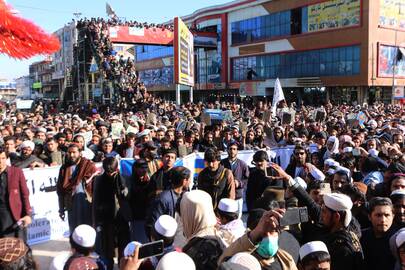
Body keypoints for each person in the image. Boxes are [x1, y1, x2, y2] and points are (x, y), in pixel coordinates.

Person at [93, 157, 130, 270]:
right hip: (106, 220)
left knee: (123, 248)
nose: (109, 174)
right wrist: (97, 222)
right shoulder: (99, 180)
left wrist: (122, 187)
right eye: (107, 172)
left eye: (112, 172)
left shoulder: (124, 179)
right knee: (107, 250)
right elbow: (96, 202)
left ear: (117, 169)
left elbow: (127, 196)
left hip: (122, 219)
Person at [57, 144, 99, 232]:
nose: (71, 155)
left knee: (88, 230)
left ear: (80, 153)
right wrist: (61, 209)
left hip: (87, 203)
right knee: (74, 231)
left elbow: (96, 186)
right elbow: (60, 190)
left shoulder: (89, 165)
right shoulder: (64, 168)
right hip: (71, 203)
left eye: (74, 152)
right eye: (69, 152)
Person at [145, 166, 191, 238]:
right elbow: (151, 225)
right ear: (184, 181)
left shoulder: (186, 196)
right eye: (189, 179)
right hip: (167, 242)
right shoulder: (163, 199)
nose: (190, 182)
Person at [0, 147, 32, 240]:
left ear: (6, 159)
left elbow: (25, 194)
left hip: (15, 214)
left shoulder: (16, 172)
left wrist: (27, 214)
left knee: (18, 246)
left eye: (2, 158)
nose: (0, 161)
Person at [360, 197, 396, 270]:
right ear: (369, 217)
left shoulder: (398, 240)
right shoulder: (361, 237)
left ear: (393, 216)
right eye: (378, 215)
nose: (383, 220)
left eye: (387, 215)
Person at [221, 141, 249, 218]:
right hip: (225, 195)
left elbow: (247, 180)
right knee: (225, 218)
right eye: (230, 149)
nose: (232, 151)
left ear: (237, 151)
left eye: (234, 149)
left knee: (237, 218)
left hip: (238, 196)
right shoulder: (222, 163)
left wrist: (239, 183)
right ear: (227, 150)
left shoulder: (242, 164)